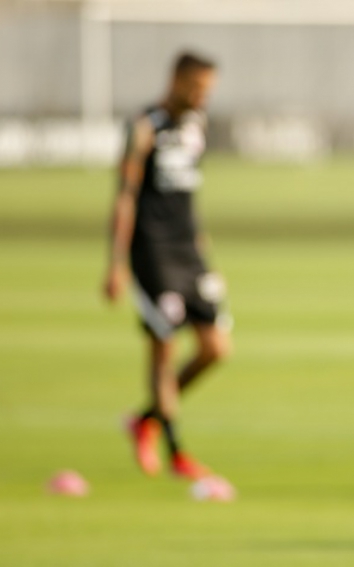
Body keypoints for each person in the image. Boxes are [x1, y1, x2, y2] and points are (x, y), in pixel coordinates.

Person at [103, 52, 232, 481]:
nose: (203, 97)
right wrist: (117, 262)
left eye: (208, 91)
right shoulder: (144, 127)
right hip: (151, 252)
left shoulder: (197, 127)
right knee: (165, 347)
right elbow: (124, 195)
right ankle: (176, 452)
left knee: (216, 347)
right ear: (176, 80)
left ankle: (146, 418)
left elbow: (188, 197)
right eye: (197, 88)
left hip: (188, 253)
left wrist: (204, 255)